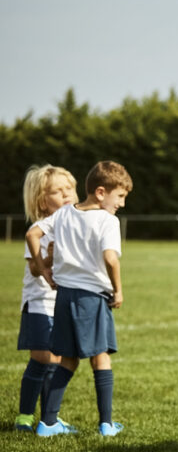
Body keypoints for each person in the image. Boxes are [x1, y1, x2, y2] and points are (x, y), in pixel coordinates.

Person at [26, 160, 132, 437]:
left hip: (64, 298)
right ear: (100, 192)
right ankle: (107, 424)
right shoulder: (107, 220)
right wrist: (118, 290)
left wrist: (43, 267)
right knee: (101, 357)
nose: (121, 203)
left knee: (68, 360)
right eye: (119, 196)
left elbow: (32, 233)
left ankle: (47, 423)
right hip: (92, 298)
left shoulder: (63, 215)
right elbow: (110, 258)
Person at [14, 165, 78, 433]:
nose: (66, 194)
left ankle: (48, 418)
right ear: (42, 200)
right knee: (43, 357)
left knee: (55, 359)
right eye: (57, 191)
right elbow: (34, 268)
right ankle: (25, 416)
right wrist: (49, 257)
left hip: (61, 303)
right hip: (40, 301)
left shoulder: (73, 226)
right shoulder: (41, 229)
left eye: (69, 189)